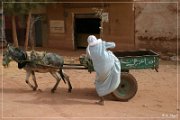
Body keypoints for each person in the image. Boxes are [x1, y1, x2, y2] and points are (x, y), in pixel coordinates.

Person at [86, 35, 121, 105]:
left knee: (98, 83)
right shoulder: (102, 43)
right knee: (111, 54)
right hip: (110, 64)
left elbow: (88, 57)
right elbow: (113, 45)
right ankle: (113, 86)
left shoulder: (88, 49)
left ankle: (102, 100)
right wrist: (105, 47)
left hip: (100, 69)